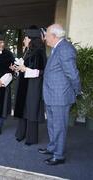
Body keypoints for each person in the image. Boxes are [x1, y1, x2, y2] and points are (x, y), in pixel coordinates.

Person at [38, 24, 81, 165]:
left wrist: (77, 90)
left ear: (54, 36)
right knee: (52, 124)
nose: (45, 38)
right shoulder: (57, 48)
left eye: (47, 35)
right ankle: (52, 148)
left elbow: (72, 74)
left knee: (59, 126)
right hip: (52, 95)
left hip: (60, 96)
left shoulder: (65, 49)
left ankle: (59, 155)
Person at [14, 28, 47, 145]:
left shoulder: (39, 53)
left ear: (32, 39)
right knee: (23, 108)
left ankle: (31, 138)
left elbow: (42, 72)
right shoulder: (27, 51)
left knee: (32, 110)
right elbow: (24, 68)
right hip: (25, 84)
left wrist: (25, 69)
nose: (23, 40)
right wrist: (17, 69)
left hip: (33, 86)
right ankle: (21, 133)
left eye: (26, 38)